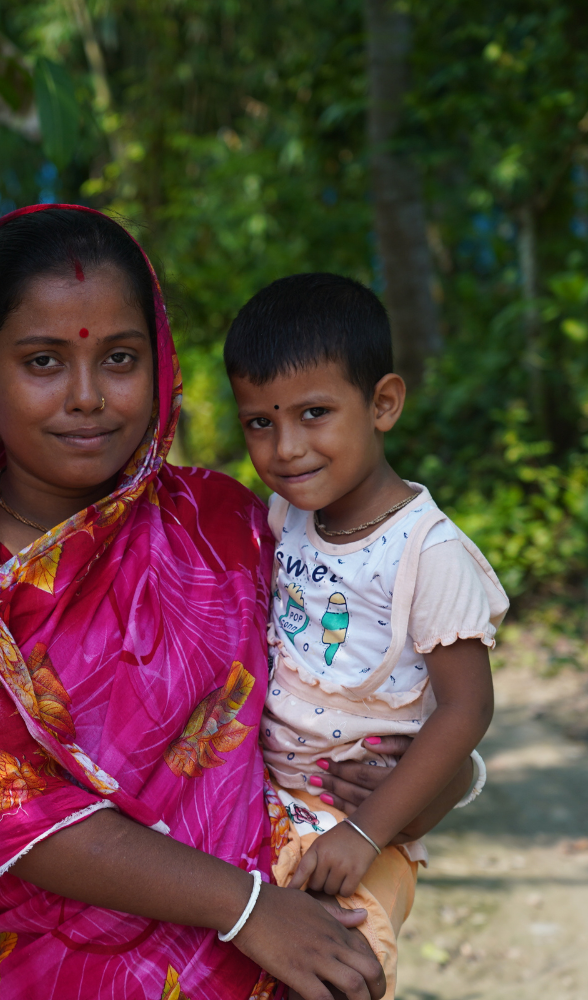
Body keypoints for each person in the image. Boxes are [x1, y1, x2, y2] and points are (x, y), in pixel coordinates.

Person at [0, 208, 473, 1000]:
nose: (87, 397)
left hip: (277, 963)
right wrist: (247, 910)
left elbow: (344, 703)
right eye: (43, 361)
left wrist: (442, 779)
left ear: (162, 364)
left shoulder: (225, 525)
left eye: (120, 358)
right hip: (57, 969)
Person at [224, 273, 509, 999]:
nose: (286, 448)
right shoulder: (283, 517)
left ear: (383, 403)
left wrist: (367, 832)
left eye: (315, 413)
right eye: (260, 422)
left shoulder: (426, 551)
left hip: (364, 820)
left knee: (342, 974)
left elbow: (467, 710)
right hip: (262, 806)